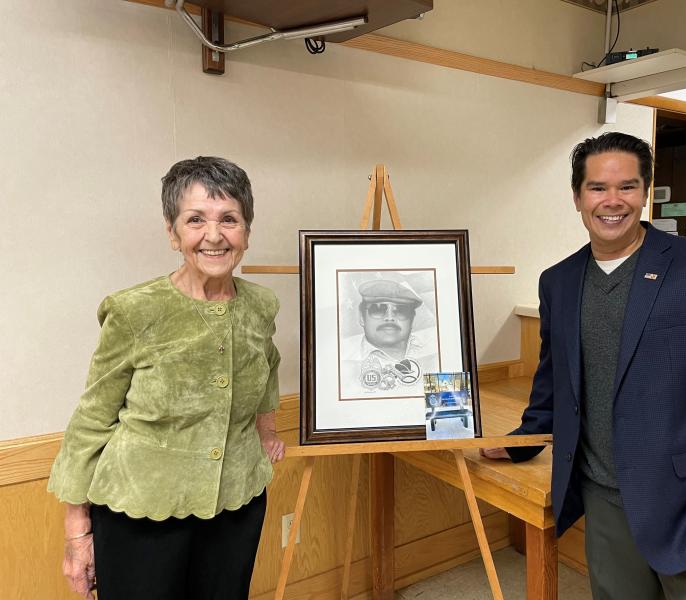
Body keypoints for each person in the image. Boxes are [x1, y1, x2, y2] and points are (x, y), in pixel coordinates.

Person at [482, 132, 686, 599]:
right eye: (598, 188)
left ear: (644, 193)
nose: (613, 201)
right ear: (577, 198)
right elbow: (554, 382)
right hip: (603, 503)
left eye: (627, 187)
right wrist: (522, 443)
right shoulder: (559, 281)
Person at [48, 156, 285, 600]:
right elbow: (93, 418)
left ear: (246, 232)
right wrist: (77, 532)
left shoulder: (260, 306)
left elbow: (267, 367)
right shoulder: (134, 310)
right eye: (195, 220)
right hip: (141, 513)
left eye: (229, 219)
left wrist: (266, 431)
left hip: (236, 505)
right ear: (173, 232)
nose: (213, 235)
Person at [339, 279, 439, 397]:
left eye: (401, 310)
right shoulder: (341, 362)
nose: (390, 317)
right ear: (361, 317)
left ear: (412, 320)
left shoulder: (436, 355)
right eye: (378, 309)